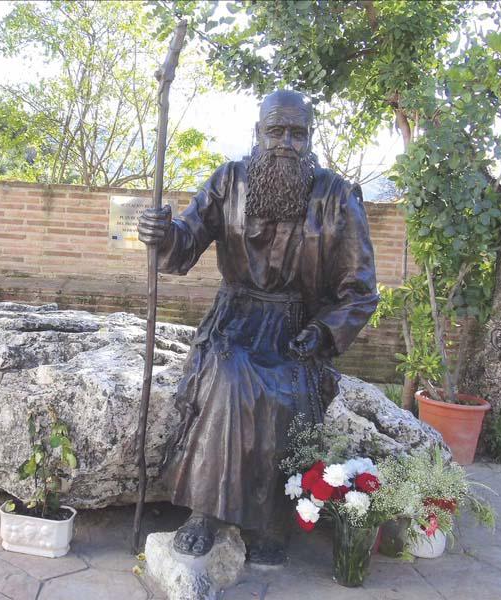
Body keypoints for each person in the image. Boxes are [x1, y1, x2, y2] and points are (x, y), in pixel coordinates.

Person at [138, 89, 378, 565]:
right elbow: (186, 239)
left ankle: (273, 518)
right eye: (276, 131)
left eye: (297, 133)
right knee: (230, 380)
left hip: (296, 324)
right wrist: (163, 235)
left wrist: (323, 331)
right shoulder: (229, 181)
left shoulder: (335, 196)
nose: (286, 142)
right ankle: (205, 512)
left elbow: (360, 289)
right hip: (234, 319)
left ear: (309, 138)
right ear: (258, 133)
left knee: (287, 392)